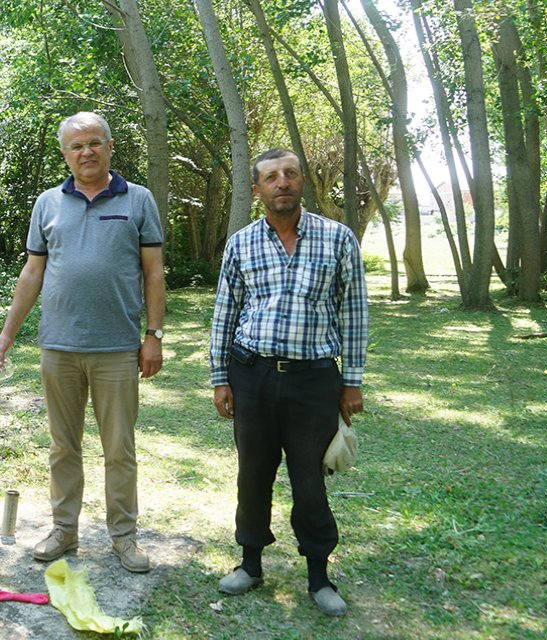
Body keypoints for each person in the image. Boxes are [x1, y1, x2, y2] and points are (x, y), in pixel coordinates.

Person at [0, 111, 165, 574]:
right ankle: (64, 530)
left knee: (119, 449)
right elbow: (32, 271)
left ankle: (123, 537)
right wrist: (7, 334)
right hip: (59, 347)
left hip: (118, 349)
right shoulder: (47, 203)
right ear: (65, 154)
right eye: (76, 146)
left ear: (109, 146)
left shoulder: (139, 200)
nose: (86, 151)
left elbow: (153, 272)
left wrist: (154, 336)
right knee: (63, 446)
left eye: (94, 143)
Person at [208, 148, 369, 617]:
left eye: (290, 174)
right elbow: (225, 314)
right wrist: (221, 378)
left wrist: (352, 382)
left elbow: (353, 312)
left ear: (302, 183)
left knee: (310, 479)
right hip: (252, 375)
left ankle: (319, 576)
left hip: (314, 380)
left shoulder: (337, 239)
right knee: (252, 474)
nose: (282, 182)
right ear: (257, 189)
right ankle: (250, 563)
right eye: (271, 177)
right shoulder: (241, 244)